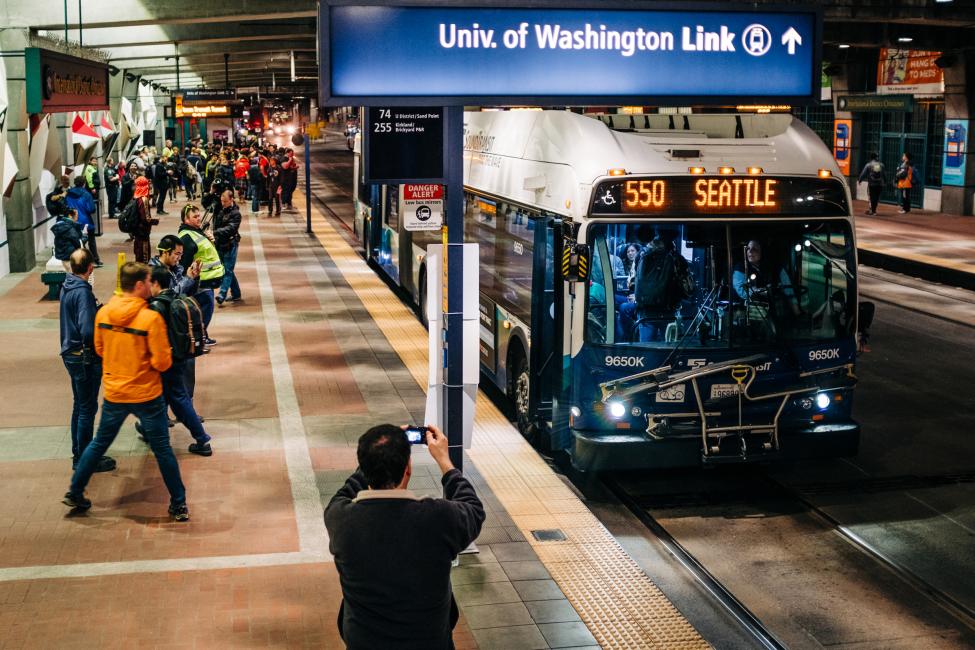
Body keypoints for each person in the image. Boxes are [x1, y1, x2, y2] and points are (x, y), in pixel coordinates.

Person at [324, 424, 485, 650]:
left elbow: (342, 495)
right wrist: (445, 462)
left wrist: (377, 453)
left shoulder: (340, 520)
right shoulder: (439, 519)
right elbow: (474, 509)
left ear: (364, 467)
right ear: (407, 468)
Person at [63, 262, 190, 522]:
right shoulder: (150, 318)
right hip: (147, 394)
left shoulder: (105, 313)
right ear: (140, 284)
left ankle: (75, 490)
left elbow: (99, 348)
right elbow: (162, 362)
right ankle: (178, 503)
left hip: (115, 392)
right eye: (148, 281)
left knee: (99, 443)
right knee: (162, 448)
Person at [145, 265, 213, 456]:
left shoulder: (157, 306)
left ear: (156, 283)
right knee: (170, 398)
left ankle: (202, 440)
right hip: (180, 356)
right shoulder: (176, 298)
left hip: (166, 361)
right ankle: (148, 430)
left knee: (177, 400)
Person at [59, 248, 116, 473]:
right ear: (90, 267)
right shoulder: (82, 292)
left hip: (70, 354)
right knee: (87, 409)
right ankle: (85, 458)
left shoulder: (68, 285)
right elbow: (86, 329)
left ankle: (79, 453)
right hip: (83, 357)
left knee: (79, 406)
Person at [620, 237, 693, 342]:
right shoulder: (677, 258)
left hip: (646, 311)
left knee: (646, 348)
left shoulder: (641, 256)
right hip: (669, 311)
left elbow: (630, 283)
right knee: (669, 347)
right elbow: (689, 289)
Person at [178, 203, 224, 338]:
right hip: (200, 281)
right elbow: (184, 262)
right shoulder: (186, 237)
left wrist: (211, 240)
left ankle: (202, 336)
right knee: (204, 310)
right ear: (186, 220)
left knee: (204, 310)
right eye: (195, 217)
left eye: (199, 215)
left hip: (206, 279)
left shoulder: (195, 232)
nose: (199, 218)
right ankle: (199, 338)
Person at [732, 239, 800, 322]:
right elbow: (741, 289)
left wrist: (797, 313)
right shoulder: (740, 268)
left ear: (762, 251)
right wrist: (759, 292)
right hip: (749, 312)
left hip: (774, 312)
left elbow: (788, 289)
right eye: (748, 249)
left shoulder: (775, 267)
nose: (750, 252)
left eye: (755, 249)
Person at [213, 190, 243, 305]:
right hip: (220, 243)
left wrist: (215, 232)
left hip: (231, 244)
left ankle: (222, 293)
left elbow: (230, 229)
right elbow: (206, 203)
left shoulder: (236, 214)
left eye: (225, 201)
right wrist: (212, 191)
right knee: (227, 269)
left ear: (231, 199)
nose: (223, 203)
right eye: (221, 201)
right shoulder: (220, 209)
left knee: (227, 270)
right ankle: (236, 293)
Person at [66, 176, 103, 267]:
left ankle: (80, 260)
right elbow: (91, 209)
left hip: (72, 221)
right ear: (84, 183)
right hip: (86, 221)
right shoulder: (86, 194)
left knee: (77, 242)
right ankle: (94, 259)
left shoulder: (68, 194)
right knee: (91, 240)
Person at [132, 176, 158, 263]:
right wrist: (155, 221)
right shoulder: (143, 199)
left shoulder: (136, 197)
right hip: (143, 231)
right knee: (144, 256)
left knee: (138, 253)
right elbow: (146, 218)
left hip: (137, 231)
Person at [51, 208, 84, 273]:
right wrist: (85, 237)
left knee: (69, 274)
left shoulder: (61, 225)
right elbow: (77, 243)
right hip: (69, 256)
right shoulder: (69, 228)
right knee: (72, 276)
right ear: (70, 215)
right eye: (76, 215)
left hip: (62, 255)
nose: (77, 217)